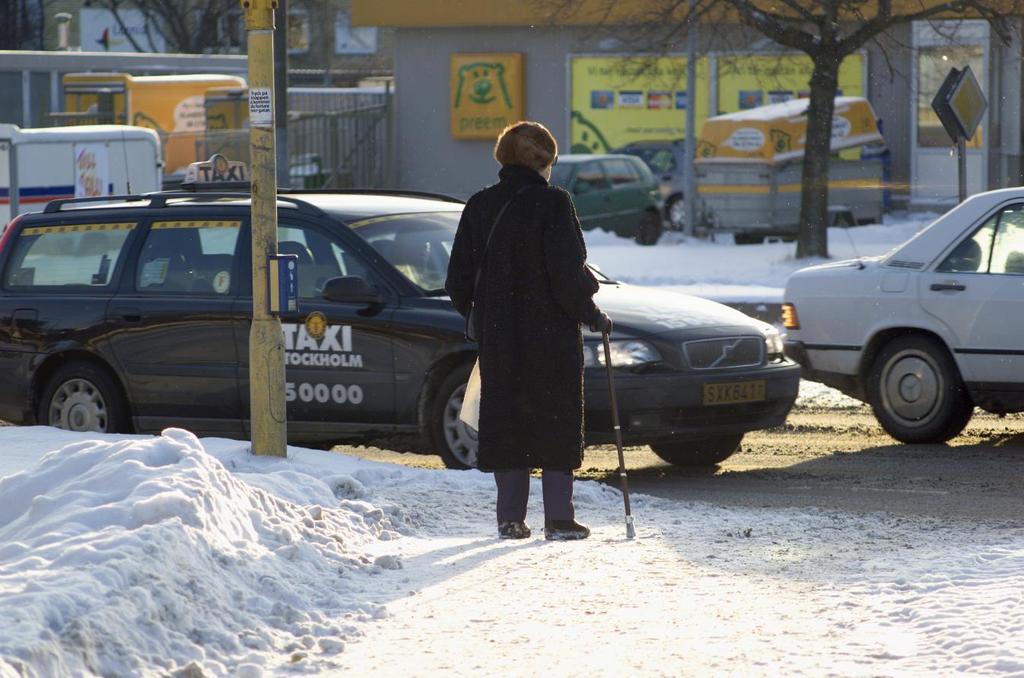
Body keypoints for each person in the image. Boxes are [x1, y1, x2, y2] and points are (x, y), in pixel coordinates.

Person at [445, 121, 612, 541]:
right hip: (551, 335)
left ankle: (510, 518)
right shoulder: (553, 204)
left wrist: (486, 312)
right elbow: (566, 273)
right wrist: (591, 313)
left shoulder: (480, 205)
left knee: (507, 423)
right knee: (555, 422)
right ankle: (558, 518)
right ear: (543, 161)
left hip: (500, 337)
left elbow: (458, 278)